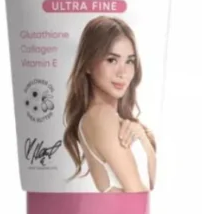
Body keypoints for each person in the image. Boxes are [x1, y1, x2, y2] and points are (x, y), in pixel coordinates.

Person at [63, 16, 156, 192]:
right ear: (88, 64)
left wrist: (143, 137)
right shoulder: (101, 116)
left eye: (129, 61)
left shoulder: (109, 117)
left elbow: (154, 184)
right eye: (112, 60)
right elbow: (137, 193)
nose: (123, 72)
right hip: (131, 211)